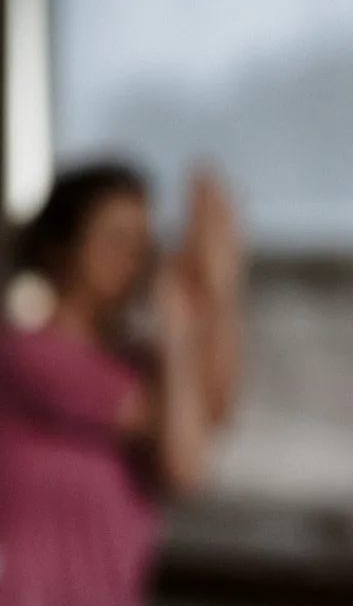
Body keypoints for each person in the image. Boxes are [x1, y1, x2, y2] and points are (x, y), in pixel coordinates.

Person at [0, 163, 243, 606]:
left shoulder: (138, 365)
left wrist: (220, 282)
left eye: (142, 243)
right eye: (115, 239)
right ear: (60, 248)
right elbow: (185, 465)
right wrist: (177, 330)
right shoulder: (27, 354)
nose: (133, 259)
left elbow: (211, 410)